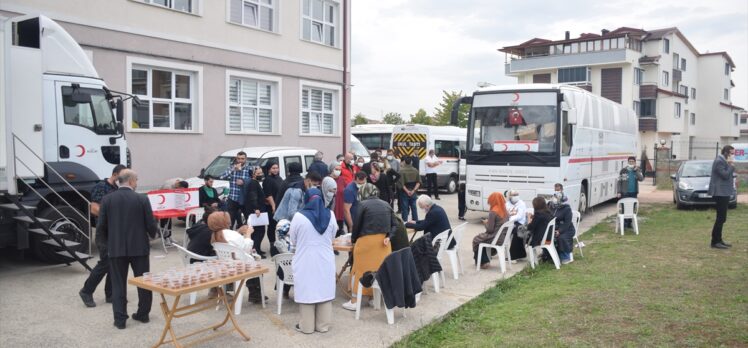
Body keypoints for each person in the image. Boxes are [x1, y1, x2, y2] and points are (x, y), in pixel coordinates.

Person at [96, 169, 157, 329]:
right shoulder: (142, 199)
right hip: (139, 248)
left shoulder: (107, 199)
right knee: (144, 282)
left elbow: (101, 226)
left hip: (116, 249)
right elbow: (150, 224)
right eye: (136, 180)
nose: (137, 183)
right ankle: (143, 314)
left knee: (118, 284)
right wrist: (153, 234)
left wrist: (104, 246)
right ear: (130, 181)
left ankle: (120, 319)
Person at [289, 188, 337, 333]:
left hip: (305, 258)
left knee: (307, 290)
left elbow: (293, 240)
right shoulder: (331, 214)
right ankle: (323, 325)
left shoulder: (298, 216)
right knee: (324, 289)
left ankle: (307, 327)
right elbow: (333, 235)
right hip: (325, 258)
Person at [79, 164, 126, 308]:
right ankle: (86, 291)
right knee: (105, 262)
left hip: (115, 231)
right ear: (116, 174)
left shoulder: (116, 189)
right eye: (123, 175)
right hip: (103, 232)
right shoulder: (101, 186)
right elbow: (93, 208)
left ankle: (110, 294)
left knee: (115, 262)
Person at [342, 187, 391, 311]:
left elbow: (356, 225)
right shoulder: (386, 204)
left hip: (366, 243)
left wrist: (353, 239)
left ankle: (355, 300)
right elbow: (393, 224)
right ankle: (373, 298)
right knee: (377, 270)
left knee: (358, 270)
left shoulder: (363, 205)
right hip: (383, 244)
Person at [208, 212, 265, 303]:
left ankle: (252, 293)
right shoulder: (230, 234)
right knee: (255, 263)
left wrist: (239, 232)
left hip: (227, 265)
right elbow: (247, 247)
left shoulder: (215, 235)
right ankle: (255, 294)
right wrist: (248, 234)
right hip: (240, 266)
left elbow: (232, 241)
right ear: (224, 221)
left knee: (251, 260)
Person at [708, 145, 735, 249]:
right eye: (731, 153)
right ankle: (715, 242)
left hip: (724, 192)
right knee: (721, 218)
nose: (733, 156)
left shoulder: (723, 161)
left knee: (722, 218)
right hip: (720, 193)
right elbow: (725, 175)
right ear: (726, 153)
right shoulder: (719, 161)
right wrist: (731, 165)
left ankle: (719, 240)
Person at [472, 192, 508, 269]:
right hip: (503, 237)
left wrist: (485, 223)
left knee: (477, 239)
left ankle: (483, 262)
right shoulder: (505, 211)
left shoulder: (493, 211)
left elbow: (490, 229)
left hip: (495, 237)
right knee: (481, 238)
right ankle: (482, 260)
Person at [219, 151, 252, 229]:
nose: (240, 161)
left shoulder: (249, 168)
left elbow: (254, 181)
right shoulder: (231, 167)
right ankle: (230, 237)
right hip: (233, 198)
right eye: (238, 159)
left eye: (242, 159)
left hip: (244, 198)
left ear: (246, 159)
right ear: (236, 159)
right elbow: (222, 177)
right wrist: (233, 169)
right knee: (230, 220)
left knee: (249, 219)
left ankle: (247, 236)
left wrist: (244, 181)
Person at [245, 167, 268, 258]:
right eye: (258, 173)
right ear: (253, 174)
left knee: (259, 232)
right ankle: (255, 251)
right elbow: (253, 196)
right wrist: (256, 208)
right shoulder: (253, 183)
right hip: (256, 212)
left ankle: (257, 249)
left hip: (257, 210)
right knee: (259, 232)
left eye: (261, 173)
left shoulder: (255, 183)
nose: (261, 175)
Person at [550, 184, 575, 264]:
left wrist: (559, 231)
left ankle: (566, 256)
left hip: (567, 229)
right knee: (547, 236)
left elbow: (567, 223)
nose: (554, 199)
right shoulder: (551, 207)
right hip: (555, 227)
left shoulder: (567, 208)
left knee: (561, 238)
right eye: (554, 197)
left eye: (556, 198)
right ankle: (550, 256)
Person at [505, 189, 528, 260]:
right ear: (509, 197)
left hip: (519, 222)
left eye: (516, 195)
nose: (515, 196)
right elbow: (505, 214)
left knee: (517, 232)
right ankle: (520, 254)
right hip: (509, 222)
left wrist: (510, 219)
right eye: (513, 195)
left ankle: (513, 255)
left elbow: (519, 216)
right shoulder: (507, 204)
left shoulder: (521, 203)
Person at [398, 156, 421, 221]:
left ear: (404, 162)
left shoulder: (401, 171)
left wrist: (407, 191)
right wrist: (413, 191)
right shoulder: (415, 170)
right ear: (411, 162)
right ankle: (415, 221)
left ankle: (405, 222)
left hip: (404, 192)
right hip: (413, 190)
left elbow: (401, 184)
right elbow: (418, 182)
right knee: (414, 207)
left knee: (404, 208)